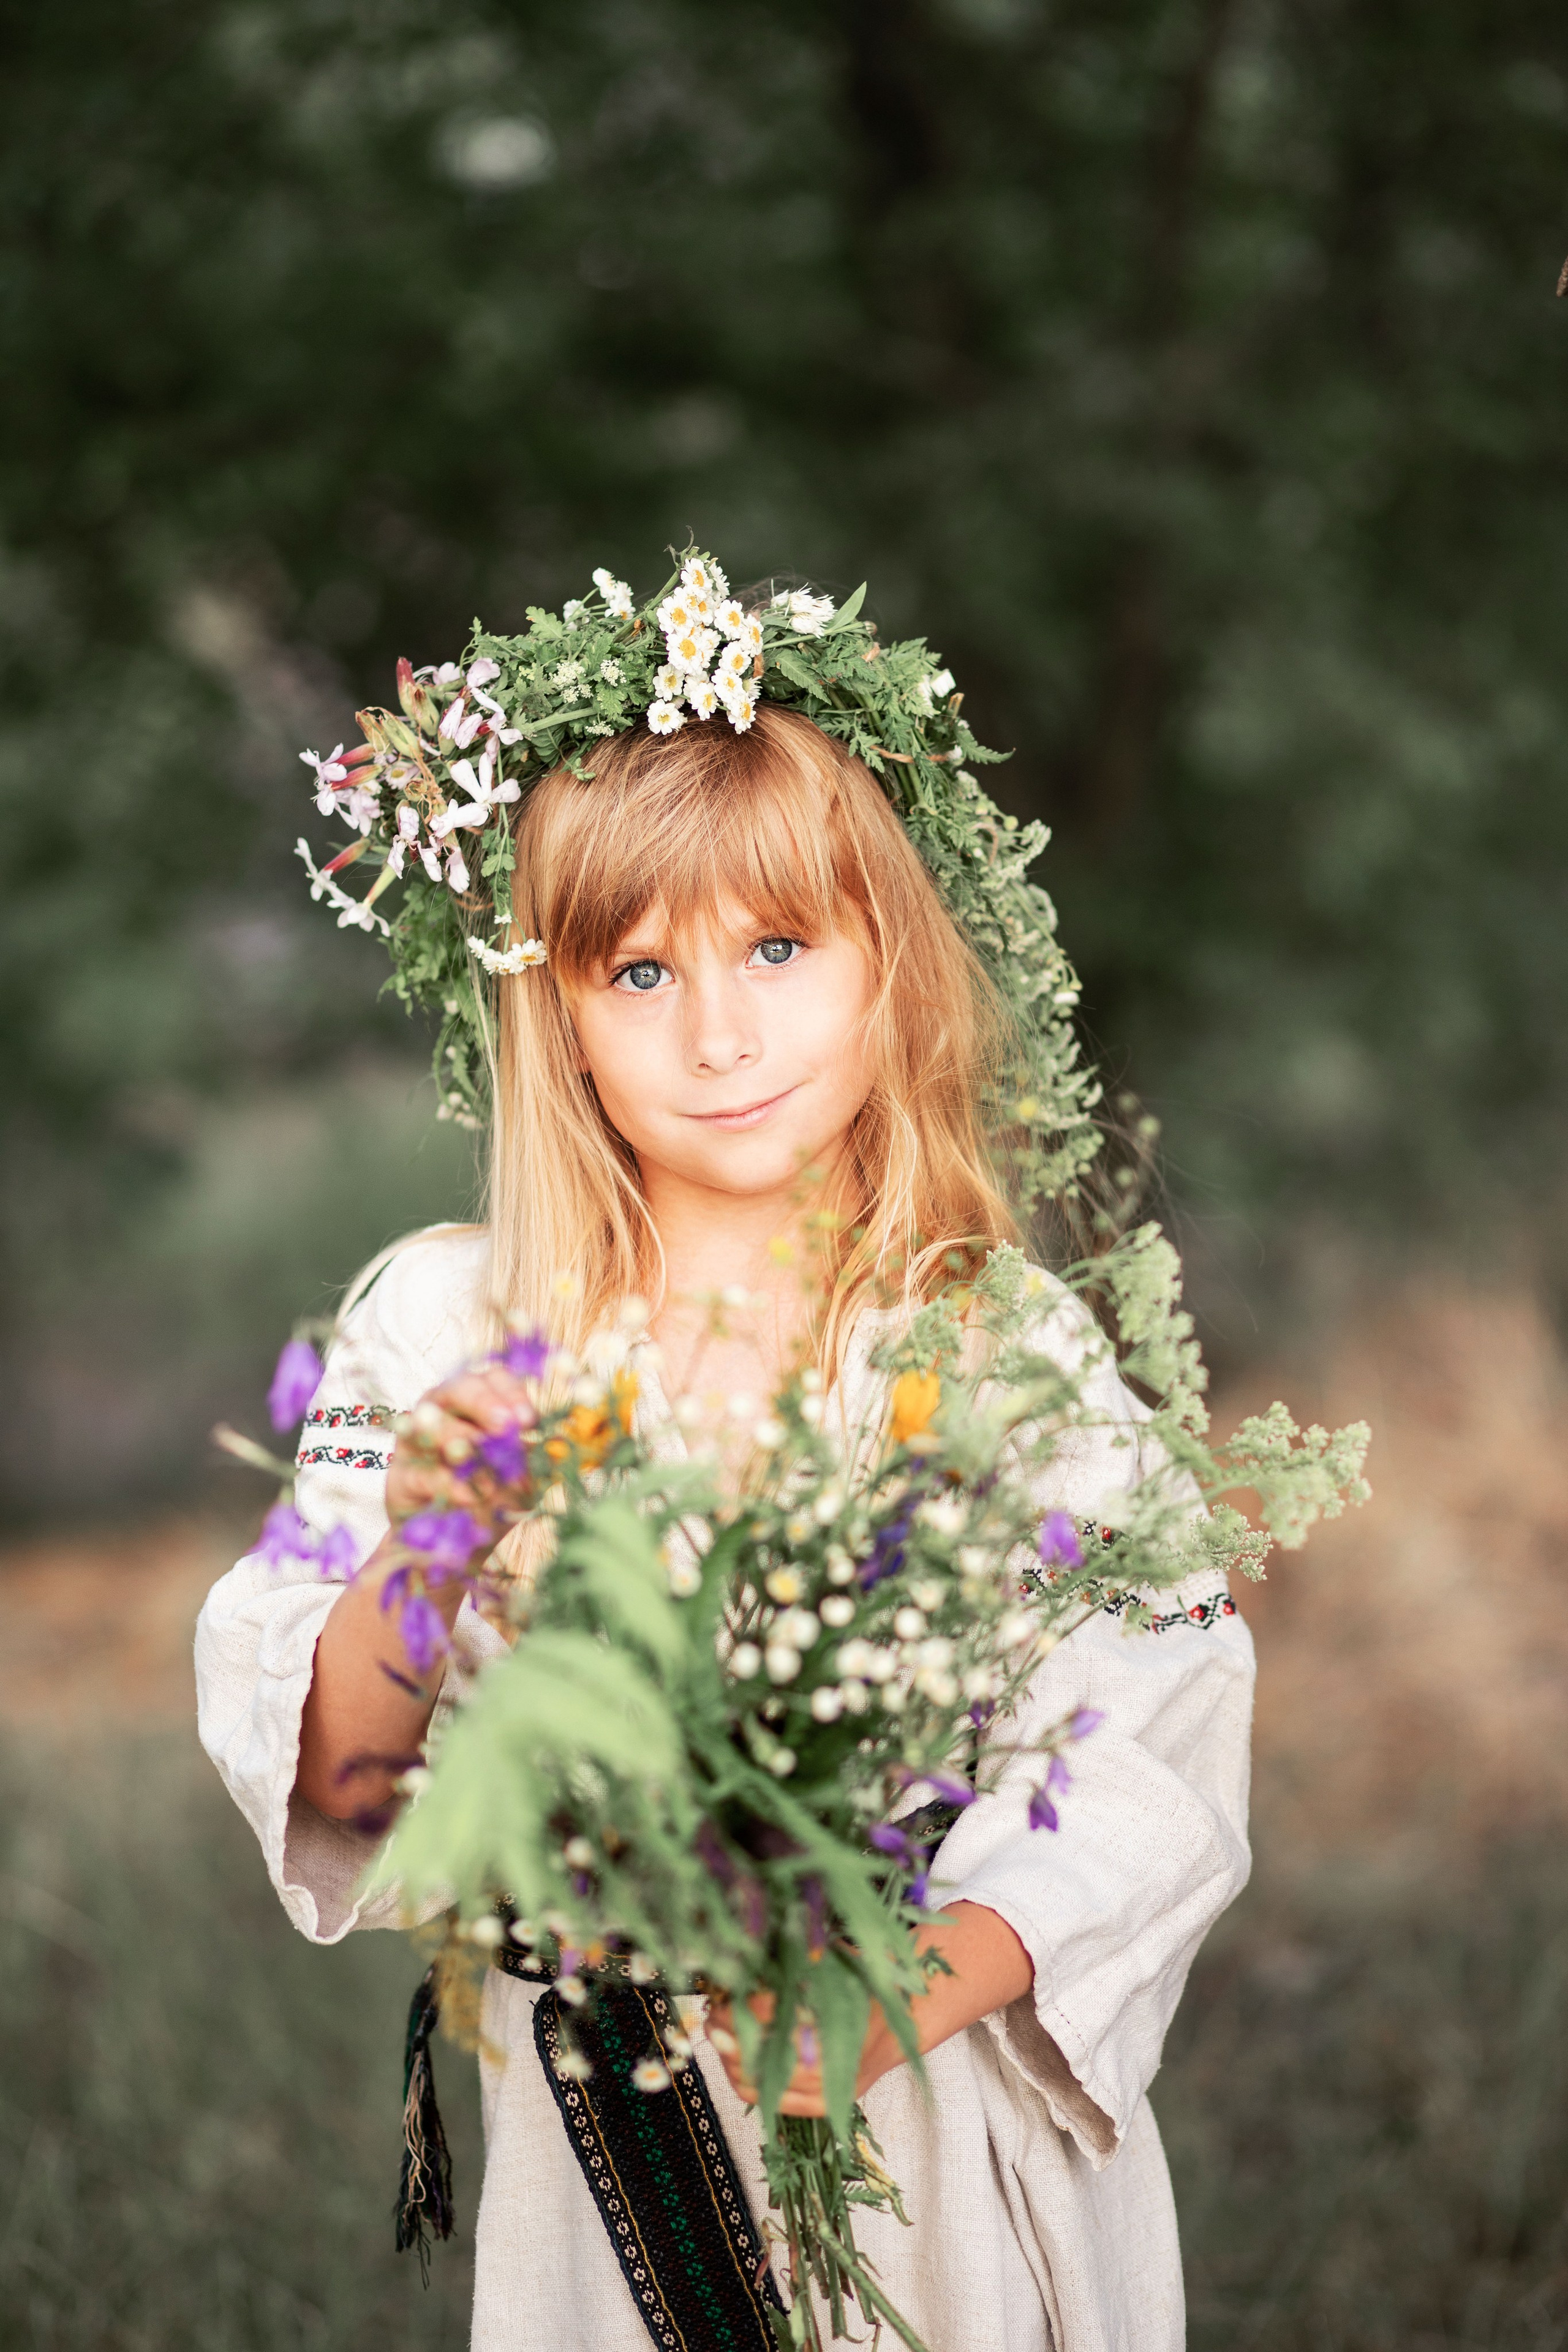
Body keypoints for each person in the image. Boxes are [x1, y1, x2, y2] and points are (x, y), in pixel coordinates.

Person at [197, 639, 1254, 2352]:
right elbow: (337, 1773)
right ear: (556, 1011)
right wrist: (432, 1545)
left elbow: (1158, 1714)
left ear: (887, 968)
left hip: (933, 2126)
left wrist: (892, 1997)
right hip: (611, 2137)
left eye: (778, 947)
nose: (719, 1033)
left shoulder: (996, 1344)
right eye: (638, 972)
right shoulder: (444, 1324)